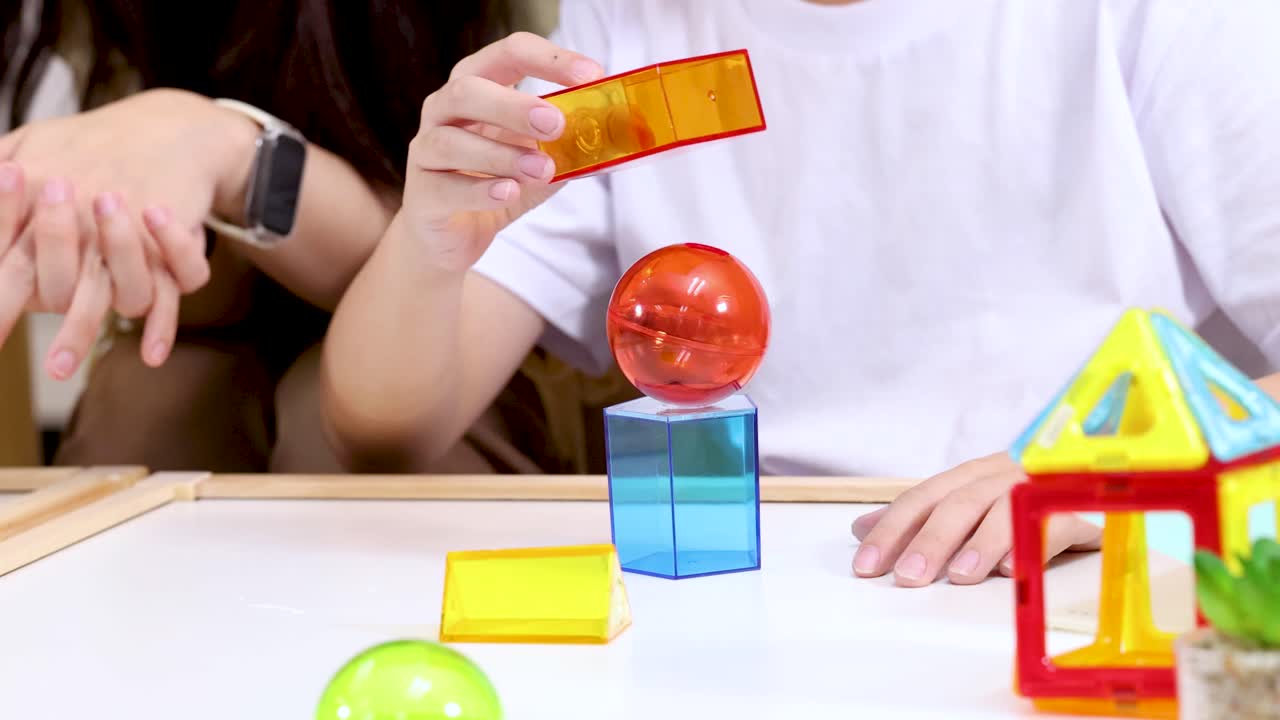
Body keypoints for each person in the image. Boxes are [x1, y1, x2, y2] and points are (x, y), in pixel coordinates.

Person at [323, 0, 1280, 586]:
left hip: (1071, 574)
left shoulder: (1162, 14)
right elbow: (386, 427)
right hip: (755, 574)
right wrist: (428, 241)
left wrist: (1111, 469)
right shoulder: (630, 25)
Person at [0, 0, 575, 473]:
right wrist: (146, 229)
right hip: (240, 313)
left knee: (334, 437)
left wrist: (229, 152)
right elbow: (200, 303)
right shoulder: (90, 23)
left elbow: (479, 253)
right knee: (145, 403)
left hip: (476, 326)